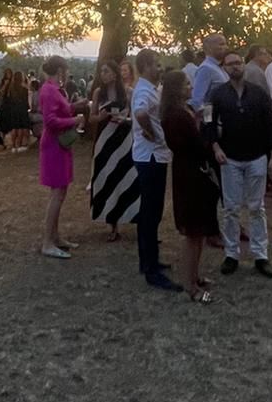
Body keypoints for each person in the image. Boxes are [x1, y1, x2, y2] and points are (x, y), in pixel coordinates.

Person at [208, 50, 272, 278]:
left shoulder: (258, 93)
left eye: (238, 63)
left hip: (257, 155)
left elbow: (270, 124)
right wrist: (215, 148)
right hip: (229, 158)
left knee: (257, 208)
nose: (235, 67)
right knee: (231, 209)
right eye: (230, 64)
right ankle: (231, 254)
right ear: (224, 68)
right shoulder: (217, 95)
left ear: (243, 65)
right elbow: (208, 124)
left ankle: (260, 254)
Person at [163, 69, 218, 302]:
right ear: (176, 88)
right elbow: (194, 144)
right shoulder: (176, 115)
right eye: (186, 83)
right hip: (189, 174)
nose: (191, 86)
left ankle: (195, 275)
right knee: (192, 232)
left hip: (193, 170)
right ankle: (189, 284)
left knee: (199, 230)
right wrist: (209, 135)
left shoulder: (184, 112)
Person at [131, 48, 182, 291]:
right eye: (156, 64)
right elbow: (140, 113)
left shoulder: (150, 88)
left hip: (155, 157)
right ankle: (151, 270)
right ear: (145, 67)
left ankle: (149, 261)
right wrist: (149, 132)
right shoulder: (143, 89)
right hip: (150, 158)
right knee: (151, 213)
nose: (160, 68)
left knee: (151, 213)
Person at [88, 59, 137, 240]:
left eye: (106, 71)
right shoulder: (98, 93)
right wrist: (100, 117)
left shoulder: (128, 92)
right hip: (104, 141)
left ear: (115, 73)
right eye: (102, 71)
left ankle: (127, 215)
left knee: (123, 178)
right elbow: (91, 118)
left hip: (123, 141)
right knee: (106, 179)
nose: (103, 74)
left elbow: (134, 118)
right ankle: (111, 223)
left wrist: (125, 120)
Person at [38, 56, 79, 258]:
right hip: (54, 145)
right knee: (56, 193)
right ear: (60, 70)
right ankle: (47, 241)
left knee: (61, 191)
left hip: (60, 145)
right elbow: (50, 120)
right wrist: (75, 119)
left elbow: (61, 111)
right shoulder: (49, 90)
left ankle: (55, 236)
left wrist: (76, 107)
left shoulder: (52, 89)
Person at [190, 33, 226, 111]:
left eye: (225, 44)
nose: (225, 47)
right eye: (221, 44)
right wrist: (209, 119)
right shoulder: (206, 69)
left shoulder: (220, 67)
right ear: (209, 48)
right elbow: (197, 101)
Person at [0, 68, 30, 151]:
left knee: (14, 127)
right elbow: (26, 101)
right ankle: (19, 145)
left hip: (13, 109)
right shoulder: (24, 89)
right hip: (22, 109)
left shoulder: (11, 89)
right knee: (21, 127)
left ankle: (13, 145)